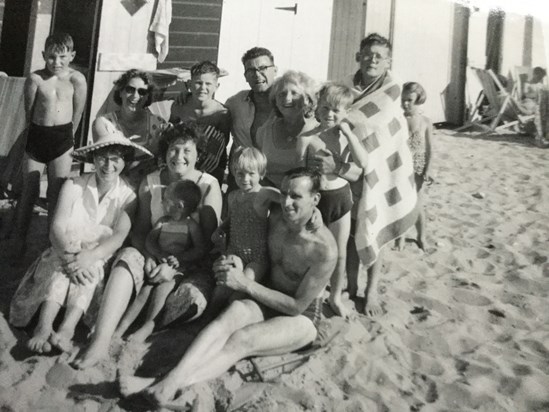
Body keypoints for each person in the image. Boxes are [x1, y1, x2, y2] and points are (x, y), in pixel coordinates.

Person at [118, 168, 337, 406]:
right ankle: (171, 381)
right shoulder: (276, 216)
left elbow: (296, 306)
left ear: (315, 199)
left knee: (242, 339)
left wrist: (245, 283)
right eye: (284, 194)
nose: (286, 202)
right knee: (225, 319)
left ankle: (166, 384)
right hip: (266, 297)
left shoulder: (323, 250)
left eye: (296, 196)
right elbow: (262, 194)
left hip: (300, 318)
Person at [72, 121, 222, 369]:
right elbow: (140, 231)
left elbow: (207, 242)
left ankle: (147, 327)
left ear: (198, 154)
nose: (179, 156)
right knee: (126, 260)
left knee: (192, 301)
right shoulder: (151, 181)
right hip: (152, 251)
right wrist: (150, 255)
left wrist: (176, 265)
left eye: (187, 150)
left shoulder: (208, 185)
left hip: (189, 262)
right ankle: (101, 340)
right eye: (174, 149)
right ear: (165, 152)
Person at [9, 128, 146, 354]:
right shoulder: (74, 185)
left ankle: (67, 328)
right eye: (102, 157)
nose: (108, 165)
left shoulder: (128, 195)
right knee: (58, 267)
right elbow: (57, 227)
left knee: (90, 272)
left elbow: (119, 236)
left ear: (124, 162)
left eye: (115, 159)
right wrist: (68, 255)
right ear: (93, 158)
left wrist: (89, 256)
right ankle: (44, 326)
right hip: (65, 250)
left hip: (97, 256)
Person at [337, 33, 418, 317]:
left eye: (379, 56)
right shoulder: (345, 86)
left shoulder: (393, 89)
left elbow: (384, 128)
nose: (373, 59)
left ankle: (370, 292)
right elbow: (338, 114)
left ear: (388, 61)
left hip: (382, 167)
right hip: (352, 166)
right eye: (368, 54)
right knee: (350, 232)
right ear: (359, 55)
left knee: (376, 227)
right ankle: (350, 286)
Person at [10, 32, 87, 255]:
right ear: (44, 55)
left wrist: (69, 142)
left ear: (71, 55)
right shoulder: (35, 79)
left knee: (57, 192)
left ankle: (51, 243)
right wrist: (26, 144)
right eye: (51, 57)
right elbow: (28, 112)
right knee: (29, 190)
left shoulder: (77, 80)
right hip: (37, 138)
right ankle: (18, 239)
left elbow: (78, 113)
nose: (57, 62)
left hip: (62, 141)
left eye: (62, 57)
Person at [298, 83, 369, 318]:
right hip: (317, 200)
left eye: (336, 111)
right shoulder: (308, 137)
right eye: (326, 108)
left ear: (346, 113)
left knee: (339, 252)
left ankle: (336, 296)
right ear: (317, 109)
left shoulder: (348, 137)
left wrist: (348, 132)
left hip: (341, 198)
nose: (330, 115)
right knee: (315, 249)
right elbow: (299, 173)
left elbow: (363, 164)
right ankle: (314, 293)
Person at [115, 180, 207, 342]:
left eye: (165, 199)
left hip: (178, 268)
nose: (162, 202)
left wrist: (180, 258)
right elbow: (150, 240)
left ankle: (148, 326)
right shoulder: (163, 222)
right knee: (145, 291)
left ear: (179, 205)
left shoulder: (191, 226)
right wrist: (158, 253)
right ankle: (122, 326)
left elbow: (200, 249)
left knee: (162, 290)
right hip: (159, 263)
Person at [211, 147, 276, 294]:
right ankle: (212, 311)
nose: (245, 179)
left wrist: (314, 211)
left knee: (243, 287)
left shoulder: (264, 194)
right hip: (235, 250)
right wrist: (221, 229)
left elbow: (287, 200)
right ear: (233, 173)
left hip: (257, 255)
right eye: (240, 174)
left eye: (251, 174)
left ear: (262, 174)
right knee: (221, 288)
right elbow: (231, 219)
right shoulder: (233, 196)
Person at [92, 69, 167, 188]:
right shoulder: (104, 123)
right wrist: (151, 148)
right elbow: (112, 159)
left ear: (147, 96)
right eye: (130, 89)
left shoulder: (158, 123)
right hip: (114, 187)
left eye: (142, 92)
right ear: (121, 91)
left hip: (148, 188)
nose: (135, 96)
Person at [224, 47, 278, 191]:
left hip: (275, 180)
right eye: (251, 70)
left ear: (275, 70)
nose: (257, 75)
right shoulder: (235, 103)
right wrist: (188, 97)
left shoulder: (287, 103)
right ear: (245, 76)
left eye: (263, 68)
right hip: (242, 180)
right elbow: (211, 110)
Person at [170, 61, 231, 185]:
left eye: (208, 83)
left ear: (216, 86)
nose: (203, 88)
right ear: (190, 84)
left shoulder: (221, 114)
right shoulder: (179, 107)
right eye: (198, 83)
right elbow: (171, 136)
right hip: (181, 164)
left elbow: (222, 147)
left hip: (210, 168)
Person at [256, 70, 318, 188]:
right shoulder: (265, 131)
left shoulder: (317, 131)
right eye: (282, 94)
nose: (287, 99)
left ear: (308, 100)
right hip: (270, 196)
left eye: (294, 93)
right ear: (275, 101)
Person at [395, 82, 433, 252]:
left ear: (418, 99)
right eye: (403, 100)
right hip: (401, 164)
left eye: (409, 100)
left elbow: (430, 149)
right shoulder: (398, 119)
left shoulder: (425, 121)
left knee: (417, 204)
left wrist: (427, 169)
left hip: (417, 165)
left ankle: (421, 236)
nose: (405, 104)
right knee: (401, 203)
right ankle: (401, 237)